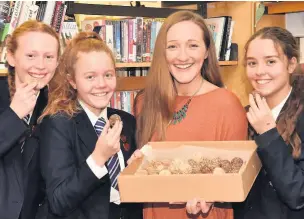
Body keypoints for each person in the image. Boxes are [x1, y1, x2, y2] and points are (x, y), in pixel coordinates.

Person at [131, 10, 248, 219]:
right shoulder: (144, 102)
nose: (182, 56)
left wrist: (211, 195)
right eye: (173, 46)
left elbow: (234, 177)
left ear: (206, 52)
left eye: (193, 45)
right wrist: (137, 165)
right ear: (162, 53)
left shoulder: (227, 105)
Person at [38, 31, 143, 219]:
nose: (101, 84)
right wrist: (98, 158)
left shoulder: (126, 121)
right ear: (72, 81)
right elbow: (58, 201)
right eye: (90, 77)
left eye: (108, 75)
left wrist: (139, 169)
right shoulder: (58, 124)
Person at [233, 27, 304, 219]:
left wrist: (268, 133)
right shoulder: (244, 114)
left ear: (291, 64)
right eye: (252, 63)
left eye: (270, 61)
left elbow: (298, 195)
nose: (259, 71)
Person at [0, 20, 60, 219]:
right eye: (31, 55)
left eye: (49, 57)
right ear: (11, 57)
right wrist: (14, 114)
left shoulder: (55, 107)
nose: (40, 65)